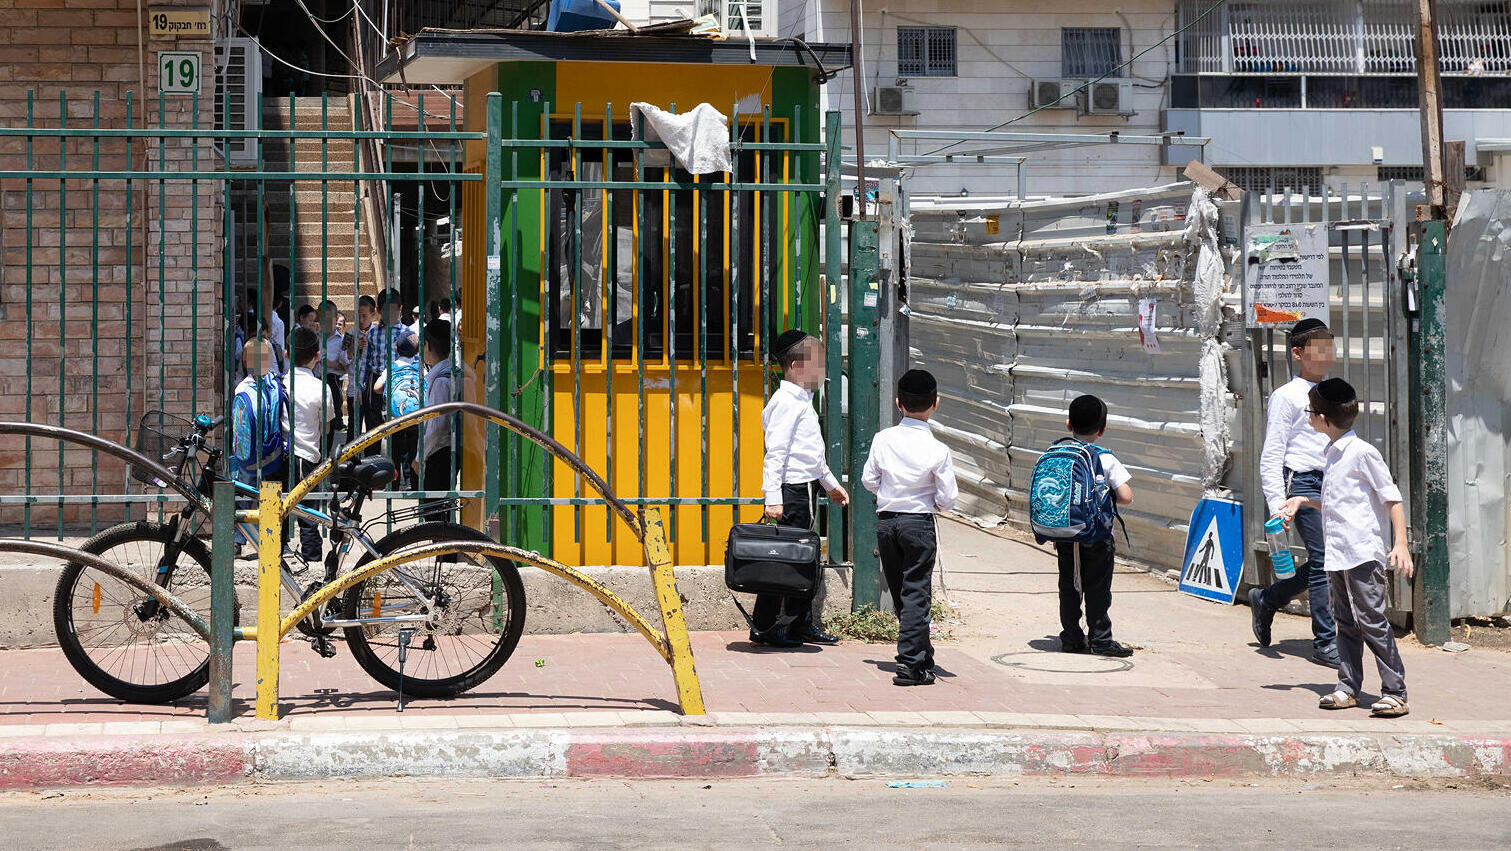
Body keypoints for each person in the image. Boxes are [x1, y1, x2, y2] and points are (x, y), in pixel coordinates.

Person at [1278, 378, 1412, 718]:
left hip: (1362, 553)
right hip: (1337, 553)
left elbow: (1392, 498)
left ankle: (1395, 691)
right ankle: (1348, 687)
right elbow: (1336, 502)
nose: (1308, 417)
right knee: (1345, 621)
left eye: (1310, 412)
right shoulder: (1332, 453)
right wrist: (1301, 500)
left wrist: (1400, 544)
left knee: (1371, 620)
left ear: (1323, 418)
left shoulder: (1362, 452)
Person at [1250, 318, 1340, 668]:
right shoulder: (1286, 396)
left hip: (1331, 483)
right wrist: (1277, 506)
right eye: (1317, 347)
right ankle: (1325, 642)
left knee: (1329, 560)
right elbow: (1272, 453)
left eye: (1329, 345)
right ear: (1298, 353)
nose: (1324, 353)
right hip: (1300, 483)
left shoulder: (1334, 391)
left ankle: (1268, 599)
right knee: (1323, 559)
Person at [751, 329, 849, 648]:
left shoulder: (803, 401)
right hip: (791, 492)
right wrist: (773, 499)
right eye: (817, 363)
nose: (822, 370)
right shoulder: (785, 403)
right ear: (795, 366)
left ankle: (797, 624)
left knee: (803, 559)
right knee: (786, 560)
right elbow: (775, 453)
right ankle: (766, 627)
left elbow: (811, 455)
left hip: (805, 489)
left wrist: (831, 485)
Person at [861, 369, 959, 686]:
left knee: (904, 594)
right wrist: (930, 501)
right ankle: (910, 663)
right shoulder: (938, 450)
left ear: (899, 403)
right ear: (936, 404)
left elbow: (868, 480)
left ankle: (921, 656)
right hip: (918, 523)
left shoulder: (883, 439)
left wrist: (889, 494)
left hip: (887, 523)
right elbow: (948, 499)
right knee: (917, 592)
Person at [1052, 395, 1135, 658]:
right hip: (1097, 536)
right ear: (1102, 430)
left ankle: (1072, 637)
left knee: (1069, 585)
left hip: (1066, 534)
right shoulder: (1105, 458)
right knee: (1097, 588)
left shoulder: (1056, 453)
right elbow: (1126, 496)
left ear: (1068, 425)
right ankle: (1100, 639)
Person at [283, 327, 335, 563]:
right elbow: (326, 427)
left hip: (279, 456)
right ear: (317, 355)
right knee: (308, 513)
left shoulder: (279, 384)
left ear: (285, 354)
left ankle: (277, 555)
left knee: (278, 509)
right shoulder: (321, 388)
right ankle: (312, 559)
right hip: (308, 456)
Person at [229, 338, 280, 560]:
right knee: (244, 494)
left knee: (268, 496)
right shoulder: (243, 387)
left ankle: (266, 539)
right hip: (249, 451)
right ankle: (238, 540)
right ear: (247, 360)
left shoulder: (276, 384)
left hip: (270, 449)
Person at [363, 289, 417, 439]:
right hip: (375, 381)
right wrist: (360, 386)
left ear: (400, 309)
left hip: (400, 381)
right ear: (379, 311)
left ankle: (397, 458)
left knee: (397, 422)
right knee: (373, 426)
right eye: (387, 311)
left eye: (394, 311)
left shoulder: (408, 333)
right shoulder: (373, 333)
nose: (391, 315)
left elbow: (416, 359)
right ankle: (371, 458)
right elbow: (365, 362)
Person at [416, 320, 457, 521]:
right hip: (445, 452)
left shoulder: (441, 381)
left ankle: (444, 552)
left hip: (438, 453)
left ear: (428, 345)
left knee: (436, 517)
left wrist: (419, 456)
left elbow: (437, 426)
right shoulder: (450, 373)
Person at [375, 335, 423, 489]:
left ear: (396, 348)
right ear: (417, 350)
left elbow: (376, 387)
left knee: (395, 452)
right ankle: (414, 485)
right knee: (414, 451)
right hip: (416, 418)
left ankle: (393, 485)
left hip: (396, 419)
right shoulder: (420, 366)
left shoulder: (392, 367)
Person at [317, 300, 350, 453]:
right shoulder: (314, 337)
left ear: (336, 318)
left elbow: (346, 367)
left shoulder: (342, 340)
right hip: (314, 380)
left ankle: (326, 453)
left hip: (333, 382)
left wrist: (330, 364)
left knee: (330, 419)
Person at [350, 294, 378, 444]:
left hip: (372, 388)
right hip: (354, 386)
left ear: (373, 314)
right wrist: (353, 349)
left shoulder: (377, 334)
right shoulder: (350, 334)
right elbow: (343, 359)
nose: (361, 320)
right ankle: (350, 459)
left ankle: (370, 456)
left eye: (364, 316)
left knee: (372, 426)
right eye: (358, 316)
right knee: (353, 427)